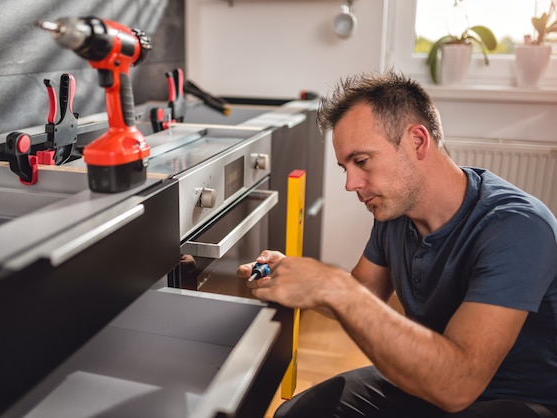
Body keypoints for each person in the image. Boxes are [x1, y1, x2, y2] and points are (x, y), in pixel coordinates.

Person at [237, 71, 557, 418]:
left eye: (361, 162)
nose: (351, 183)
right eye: (346, 167)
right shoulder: (394, 214)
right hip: (426, 374)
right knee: (296, 414)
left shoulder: (516, 227)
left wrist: (336, 286)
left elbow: (459, 385)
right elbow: (364, 291)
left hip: (515, 400)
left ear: (418, 141)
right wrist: (296, 276)